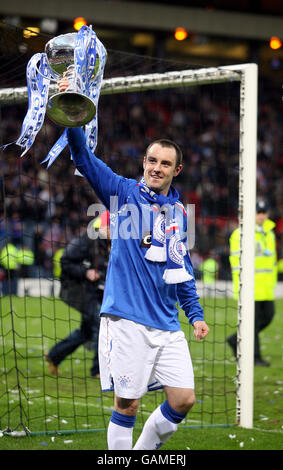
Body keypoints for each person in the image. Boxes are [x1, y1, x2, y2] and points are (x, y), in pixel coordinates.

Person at [60, 117, 210, 449]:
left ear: (177, 170)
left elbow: (182, 268)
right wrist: (72, 119)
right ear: (144, 163)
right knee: (127, 404)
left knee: (184, 399)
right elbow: (83, 158)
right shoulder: (123, 193)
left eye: (165, 163)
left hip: (167, 324)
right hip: (127, 320)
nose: (157, 168)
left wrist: (196, 315)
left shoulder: (181, 215)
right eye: (152, 161)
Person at [45, 211, 109, 378]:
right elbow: (65, 261)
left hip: (105, 292)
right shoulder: (87, 240)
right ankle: (98, 370)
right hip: (88, 292)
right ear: (104, 227)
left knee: (86, 332)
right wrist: (86, 272)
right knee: (101, 327)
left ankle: (54, 355)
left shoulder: (114, 241)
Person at [227, 200, 277, 366]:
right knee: (253, 323)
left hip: (266, 287)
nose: (261, 216)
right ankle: (255, 357)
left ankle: (235, 340)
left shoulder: (269, 233)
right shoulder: (240, 234)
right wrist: (242, 285)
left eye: (263, 212)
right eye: (258, 212)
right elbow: (236, 262)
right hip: (249, 287)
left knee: (268, 317)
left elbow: (271, 261)